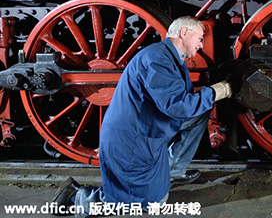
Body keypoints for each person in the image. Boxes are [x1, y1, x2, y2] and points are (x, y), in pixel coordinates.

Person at [50, 16, 232, 216]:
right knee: (152, 202)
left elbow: (182, 104)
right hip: (131, 142)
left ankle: (172, 172)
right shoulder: (157, 59)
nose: (201, 43)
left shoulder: (168, 57)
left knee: (200, 112)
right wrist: (220, 90)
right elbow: (178, 105)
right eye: (199, 38)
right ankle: (79, 198)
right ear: (184, 33)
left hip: (147, 129)